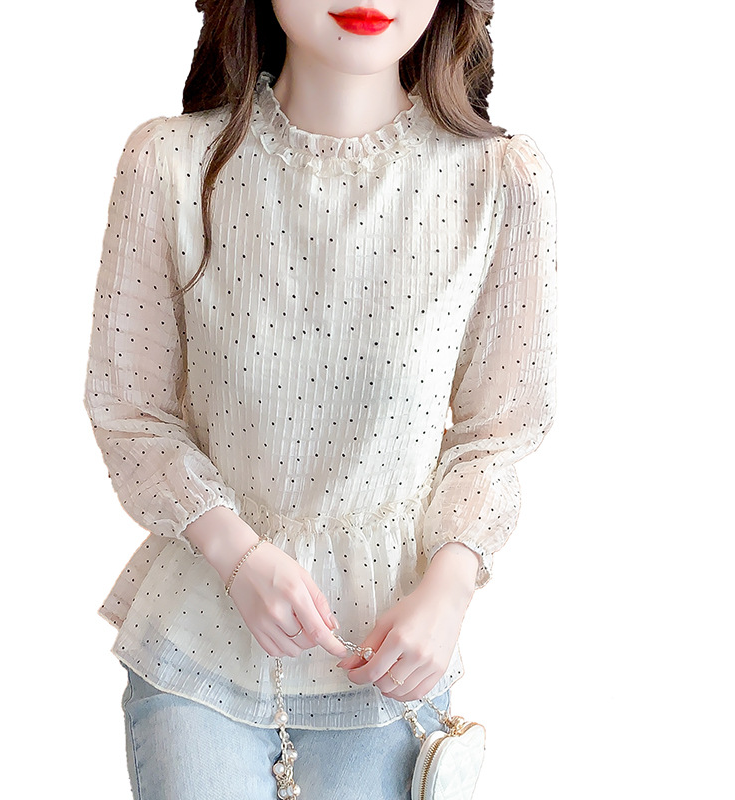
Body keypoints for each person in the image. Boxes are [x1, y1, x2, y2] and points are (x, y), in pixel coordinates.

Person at [82, 0, 558, 797]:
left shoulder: (499, 180)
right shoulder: (168, 164)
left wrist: (448, 591)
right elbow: (130, 410)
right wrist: (236, 555)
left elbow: (498, 430)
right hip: (199, 647)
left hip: (388, 664)